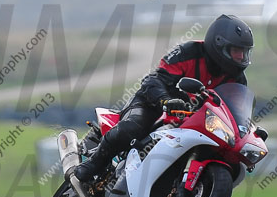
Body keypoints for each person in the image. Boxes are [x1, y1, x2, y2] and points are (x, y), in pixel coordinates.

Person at [74, 14, 261, 182]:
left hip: (194, 123)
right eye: (236, 51)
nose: (241, 57)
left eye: (244, 53)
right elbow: (153, 80)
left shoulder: (237, 80)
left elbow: (232, 111)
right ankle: (93, 163)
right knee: (132, 127)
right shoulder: (188, 52)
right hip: (154, 104)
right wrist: (165, 100)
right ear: (218, 44)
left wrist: (246, 131)